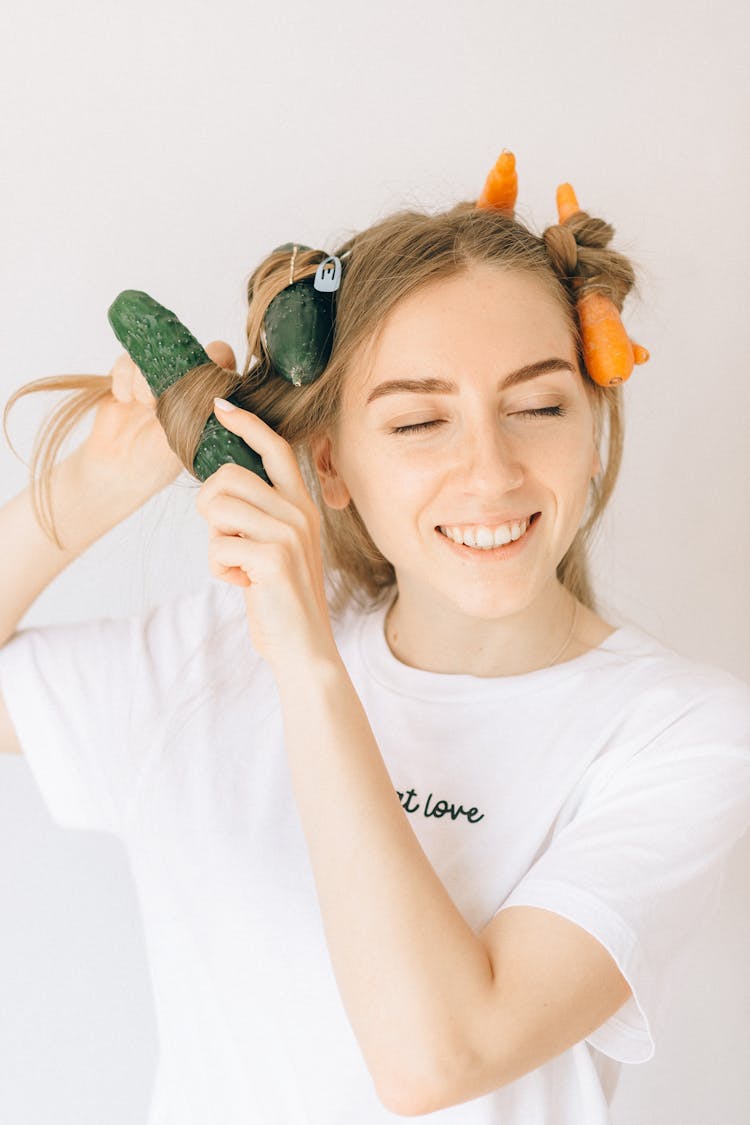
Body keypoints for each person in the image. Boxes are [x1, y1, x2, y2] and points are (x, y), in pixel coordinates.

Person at [1, 151, 749, 1125]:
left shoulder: (682, 733)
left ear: (594, 426)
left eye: (536, 407)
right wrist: (89, 486)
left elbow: (434, 1060)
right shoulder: (210, 658)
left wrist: (311, 667)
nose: (491, 473)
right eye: (417, 423)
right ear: (331, 464)